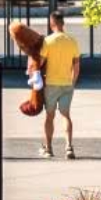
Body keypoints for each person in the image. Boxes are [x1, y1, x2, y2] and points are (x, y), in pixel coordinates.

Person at [39, 13, 82, 160]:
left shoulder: (48, 41)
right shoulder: (72, 41)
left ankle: (48, 148)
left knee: (49, 116)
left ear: (52, 23)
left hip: (50, 84)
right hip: (67, 84)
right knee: (66, 115)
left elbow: (39, 63)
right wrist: (73, 82)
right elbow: (76, 67)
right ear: (63, 23)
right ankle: (69, 147)